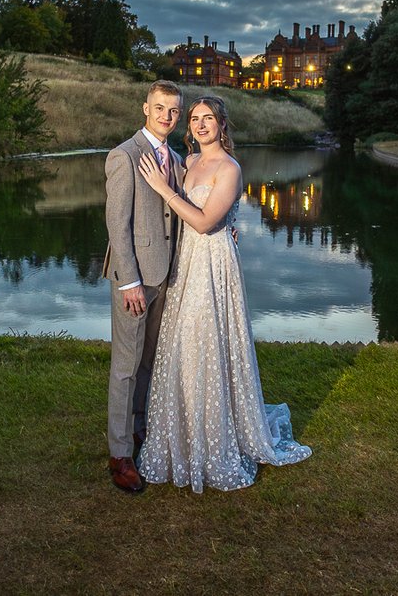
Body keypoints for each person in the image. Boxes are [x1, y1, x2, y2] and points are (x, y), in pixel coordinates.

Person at [133, 95, 311, 493]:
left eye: (207, 118)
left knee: (209, 341)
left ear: (221, 125)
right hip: (186, 262)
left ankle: (214, 439)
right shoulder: (190, 162)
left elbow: (202, 221)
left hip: (212, 264)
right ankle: (179, 436)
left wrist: (163, 189)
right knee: (182, 344)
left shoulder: (229, 168)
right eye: (193, 119)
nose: (199, 125)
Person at [102, 80, 185, 494]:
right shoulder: (125, 156)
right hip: (135, 280)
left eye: (173, 110)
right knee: (125, 366)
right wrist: (129, 281)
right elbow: (117, 225)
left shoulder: (177, 157)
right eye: (159, 108)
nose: (166, 116)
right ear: (145, 108)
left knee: (150, 360)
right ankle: (119, 454)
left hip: (166, 275)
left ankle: (138, 430)